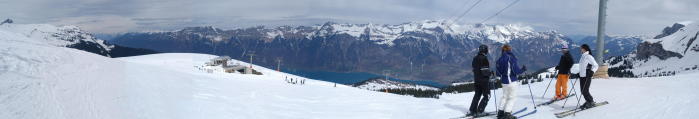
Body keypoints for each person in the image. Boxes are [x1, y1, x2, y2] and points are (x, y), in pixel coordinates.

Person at [495, 44, 526, 119]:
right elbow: (516, 71)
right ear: (509, 50)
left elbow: (498, 73)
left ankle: (500, 112)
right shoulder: (511, 58)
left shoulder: (499, 60)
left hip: (504, 81)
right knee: (512, 97)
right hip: (511, 81)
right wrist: (523, 69)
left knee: (504, 96)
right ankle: (507, 113)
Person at [469, 45, 492, 116]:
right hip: (484, 80)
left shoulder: (475, 58)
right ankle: (480, 111)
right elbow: (484, 71)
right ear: (485, 50)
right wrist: (490, 73)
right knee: (487, 95)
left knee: (477, 95)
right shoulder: (484, 59)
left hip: (476, 79)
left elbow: (474, 68)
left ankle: (472, 110)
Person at [577, 44, 598, 109]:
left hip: (587, 76)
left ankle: (590, 101)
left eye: (581, 48)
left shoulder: (589, 56)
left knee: (585, 90)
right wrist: (579, 73)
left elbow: (596, 65)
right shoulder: (582, 56)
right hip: (582, 76)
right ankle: (588, 101)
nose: (580, 49)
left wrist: (592, 71)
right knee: (582, 90)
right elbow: (582, 66)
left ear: (584, 49)